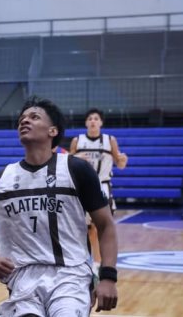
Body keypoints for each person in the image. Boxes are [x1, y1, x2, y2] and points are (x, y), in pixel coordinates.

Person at [0, 96, 119, 316]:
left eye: (34, 117)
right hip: (24, 279)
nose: (24, 121)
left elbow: (105, 225)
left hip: (71, 276)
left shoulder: (77, 170)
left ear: (52, 131)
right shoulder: (3, 178)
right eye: (22, 118)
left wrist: (108, 277)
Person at [69, 108, 128, 264]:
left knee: (100, 227)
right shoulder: (77, 141)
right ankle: (88, 263)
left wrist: (123, 160)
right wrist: (75, 157)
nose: (93, 121)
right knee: (86, 230)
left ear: (101, 122)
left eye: (96, 118)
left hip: (102, 187)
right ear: (86, 123)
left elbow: (120, 164)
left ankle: (98, 264)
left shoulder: (110, 140)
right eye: (90, 119)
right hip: (82, 188)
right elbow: (67, 162)